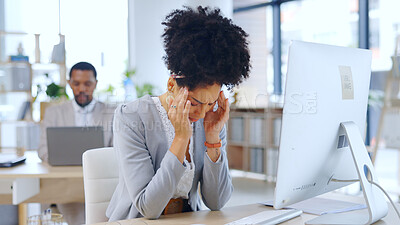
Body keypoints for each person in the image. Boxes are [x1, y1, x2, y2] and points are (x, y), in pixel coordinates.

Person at [106, 6, 251, 221]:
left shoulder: (210, 119)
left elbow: (216, 202)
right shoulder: (131, 117)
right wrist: (181, 138)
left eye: (210, 103)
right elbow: (148, 208)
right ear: (171, 84)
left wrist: (212, 140)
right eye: (194, 103)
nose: (202, 113)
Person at [38, 61, 115, 225]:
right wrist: (61, 159)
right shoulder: (54, 113)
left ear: (95, 84)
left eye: (87, 84)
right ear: (69, 83)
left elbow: (117, 151)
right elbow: (43, 149)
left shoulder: (112, 113)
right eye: (76, 84)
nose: (81, 89)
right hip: (65, 182)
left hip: (100, 182)